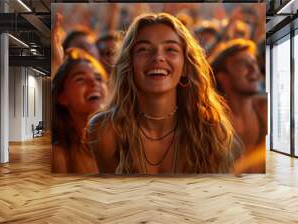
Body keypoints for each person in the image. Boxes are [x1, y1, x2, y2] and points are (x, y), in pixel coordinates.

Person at [87, 13, 241, 174]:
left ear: (186, 67)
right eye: (144, 49)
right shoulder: (105, 130)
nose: (158, 57)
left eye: (170, 49)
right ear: (129, 63)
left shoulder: (211, 130)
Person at [209, 38, 266, 173]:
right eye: (242, 64)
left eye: (253, 63)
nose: (253, 70)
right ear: (223, 77)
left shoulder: (267, 110)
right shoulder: (211, 121)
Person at [52, 48, 108, 173]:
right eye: (80, 79)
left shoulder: (127, 140)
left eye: (98, 78)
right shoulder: (59, 156)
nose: (93, 82)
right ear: (62, 96)